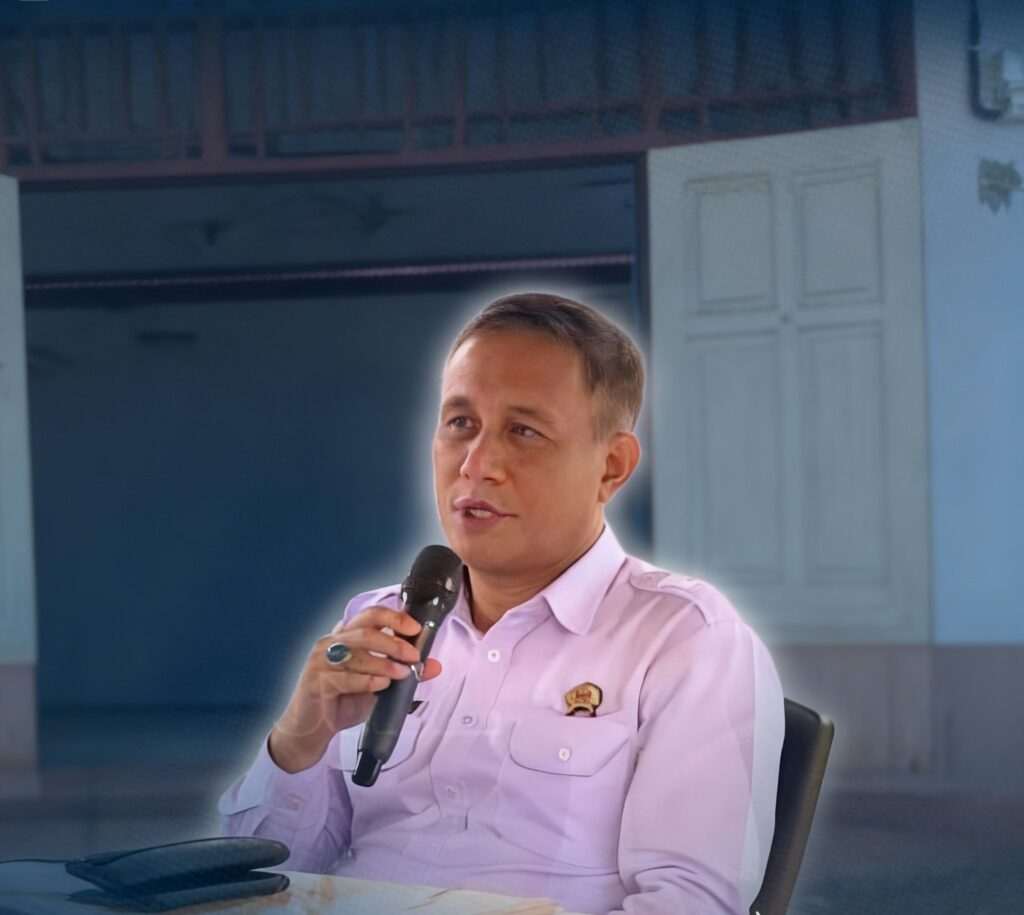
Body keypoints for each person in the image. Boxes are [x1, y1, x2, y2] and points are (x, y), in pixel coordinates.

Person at [218, 293, 784, 914]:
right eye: (460, 423)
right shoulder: (378, 624)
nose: (476, 464)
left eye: (524, 431)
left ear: (611, 467)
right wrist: (299, 738)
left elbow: (691, 902)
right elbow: (258, 881)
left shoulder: (684, 639)